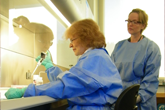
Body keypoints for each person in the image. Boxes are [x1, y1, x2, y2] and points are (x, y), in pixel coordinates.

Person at [5, 19, 123, 110]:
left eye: (72, 40)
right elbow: (72, 82)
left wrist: (28, 90)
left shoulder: (95, 58)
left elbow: (66, 86)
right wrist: (50, 67)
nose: (70, 45)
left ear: (86, 38)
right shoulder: (95, 56)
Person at [111, 8, 161, 110]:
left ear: (143, 25)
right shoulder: (119, 47)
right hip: (120, 100)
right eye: (129, 21)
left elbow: (151, 79)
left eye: (134, 22)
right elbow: (110, 73)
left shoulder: (151, 48)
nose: (130, 24)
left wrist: (135, 99)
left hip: (141, 103)